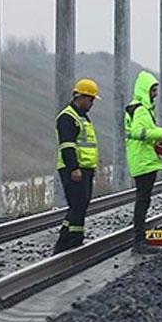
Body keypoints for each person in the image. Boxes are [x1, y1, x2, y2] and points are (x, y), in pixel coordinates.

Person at [125, 70, 162, 253]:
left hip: (144, 159)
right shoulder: (140, 110)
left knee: (143, 199)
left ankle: (139, 237)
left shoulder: (142, 109)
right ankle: (138, 240)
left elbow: (147, 130)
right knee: (142, 199)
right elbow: (139, 132)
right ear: (145, 90)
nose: (155, 94)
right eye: (153, 90)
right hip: (143, 160)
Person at [52, 78, 101, 254]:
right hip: (74, 169)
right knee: (78, 205)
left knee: (79, 205)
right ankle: (73, 242)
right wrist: (73, 168)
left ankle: (64, 242)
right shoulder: (67, 117)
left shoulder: (82, 116)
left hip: (84, 169)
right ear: (80, 97)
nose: (92, 103)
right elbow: (67, 145)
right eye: (91, 99)